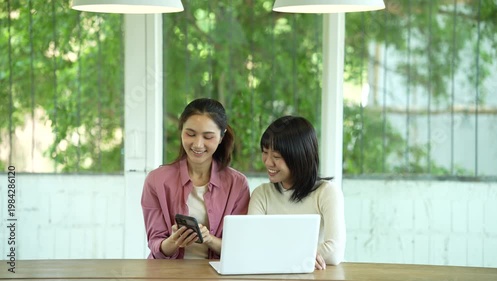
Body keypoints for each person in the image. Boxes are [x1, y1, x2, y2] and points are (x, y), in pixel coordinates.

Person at [141, 98, 250, 259]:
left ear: (221, 137)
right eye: (190, 134)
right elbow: (155, 244)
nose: (198, 144)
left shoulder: (237, 184)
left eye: (208, 137)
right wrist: (174, 241)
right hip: (168, 274)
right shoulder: (156, 180)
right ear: (181, 131)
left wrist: (209, 239)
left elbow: (238, 248)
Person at [248, 115, 346, 269]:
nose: (267, 162)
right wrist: (300, 256)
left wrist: (280, 256)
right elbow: (251, 247)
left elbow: (334, 252)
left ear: (299, 157)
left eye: (276, 156)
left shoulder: (326, 192)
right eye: (265, 152)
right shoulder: (261, 194)